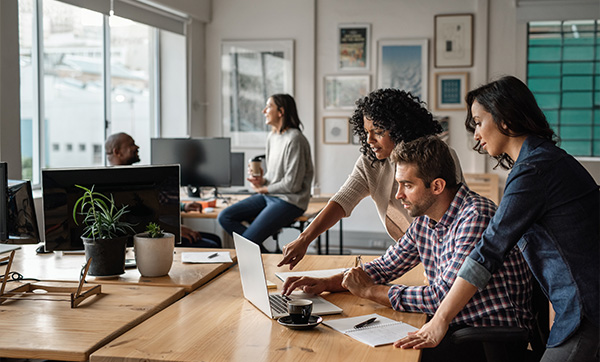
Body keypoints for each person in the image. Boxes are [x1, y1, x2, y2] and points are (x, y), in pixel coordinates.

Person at [396, 76, 599, 362]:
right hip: (577, 305)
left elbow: (489, 250)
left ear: (505, 118)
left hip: (587, 307)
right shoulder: (542, 162)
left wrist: (440, 319)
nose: (476, 134)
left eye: (479, 122)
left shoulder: (535, 171)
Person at [282, 136, 533, 362]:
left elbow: (440, 297)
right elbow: (386, 266)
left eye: (407, 185)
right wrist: (328, 282)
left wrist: (370, 291)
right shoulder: (426, 218)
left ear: (436, 186)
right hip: (453, 325)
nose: (398, 195)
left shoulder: (475, 216)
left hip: (483, 336)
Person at [278, 88, 463, 269]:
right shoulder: (371, 162)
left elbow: (453, 216)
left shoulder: (437, 157)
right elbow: (342, 200)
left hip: (446, 251)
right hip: (409, 252)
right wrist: (304, 239)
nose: (369, 140)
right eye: (366, 132)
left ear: (401, 129)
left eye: (378, 131)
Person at [218, 94, 313, 253]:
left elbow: (292, 184)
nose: (264, 111)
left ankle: (259, 256)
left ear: (281, 111)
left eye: (268, 106)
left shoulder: (295, 139)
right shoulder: (272, 137)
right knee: (224, 217)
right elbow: (274, 177)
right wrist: (262, 181)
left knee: (247, 241)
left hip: (290, 201)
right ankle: (266, 257)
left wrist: (264, 189)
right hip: (270, 196)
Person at [105, 132, 220, 247]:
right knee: (212, 244)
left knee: (215, 238)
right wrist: (173, 231)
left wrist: (183, 207)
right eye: (131, 144)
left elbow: (154, 206)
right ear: (117, 152)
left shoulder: (132, 177)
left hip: (158, 230)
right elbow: (137, 222)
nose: (137, 147)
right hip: (147, 238)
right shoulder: (116, 184)